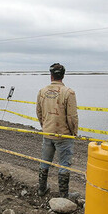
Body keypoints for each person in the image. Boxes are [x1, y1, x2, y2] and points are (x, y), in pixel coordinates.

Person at [36, 63, 78, 198]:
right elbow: (72, 117)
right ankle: (64, 194)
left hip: (48, 132)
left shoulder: (42, 91)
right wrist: (74, 133)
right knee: (64, 163)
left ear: (51, 75)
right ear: (63, 75)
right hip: (63, 134)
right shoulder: (69, 92)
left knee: (45, 161)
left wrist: (45, 126)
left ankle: (41, 189)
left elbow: (39, 112)